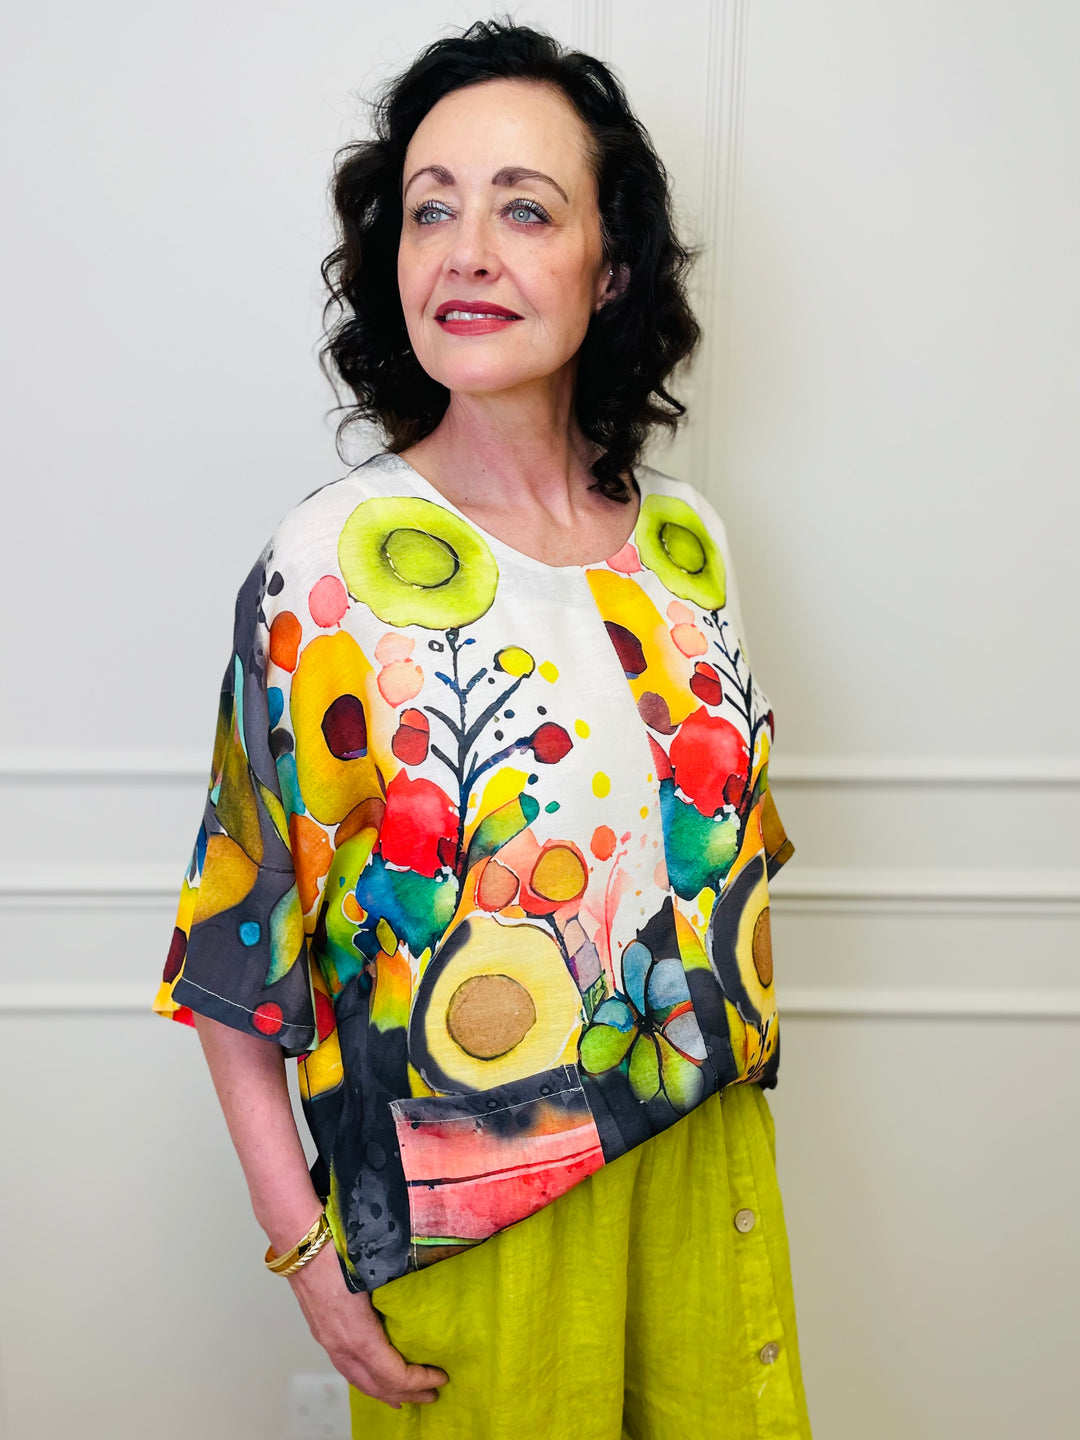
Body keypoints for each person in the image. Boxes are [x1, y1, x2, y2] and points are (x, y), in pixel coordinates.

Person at [154, 18, 813, 1439]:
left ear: (611, 265)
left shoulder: (691, 547)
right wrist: (303, 1252)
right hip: (472, 1220)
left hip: (708, 1173)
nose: (464, 252)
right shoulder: (327, 571)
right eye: (430, 208)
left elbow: (718, 865)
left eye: (525, 209)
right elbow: (236, 945)